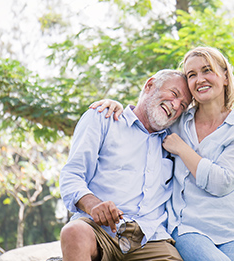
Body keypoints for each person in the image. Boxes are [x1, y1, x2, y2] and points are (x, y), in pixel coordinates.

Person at [91, 46, 234, 261]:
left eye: (207, 70)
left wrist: (182, 149)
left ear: (225, 76)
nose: (199, 79)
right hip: (188, 227)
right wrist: (116, 105)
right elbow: (144, 120)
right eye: (192, 75)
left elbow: (223, 182)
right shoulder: (176, 120)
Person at [59, 69, 192, 261]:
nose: (175, 105)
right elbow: (71, 175)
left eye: (183, 105)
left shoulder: (176, 142)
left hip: (150, 238)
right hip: (100, 230)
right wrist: (93, 205)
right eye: (174, 94)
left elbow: (209, 166)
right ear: (149, 85)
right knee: (73, 231)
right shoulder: (104, 119)